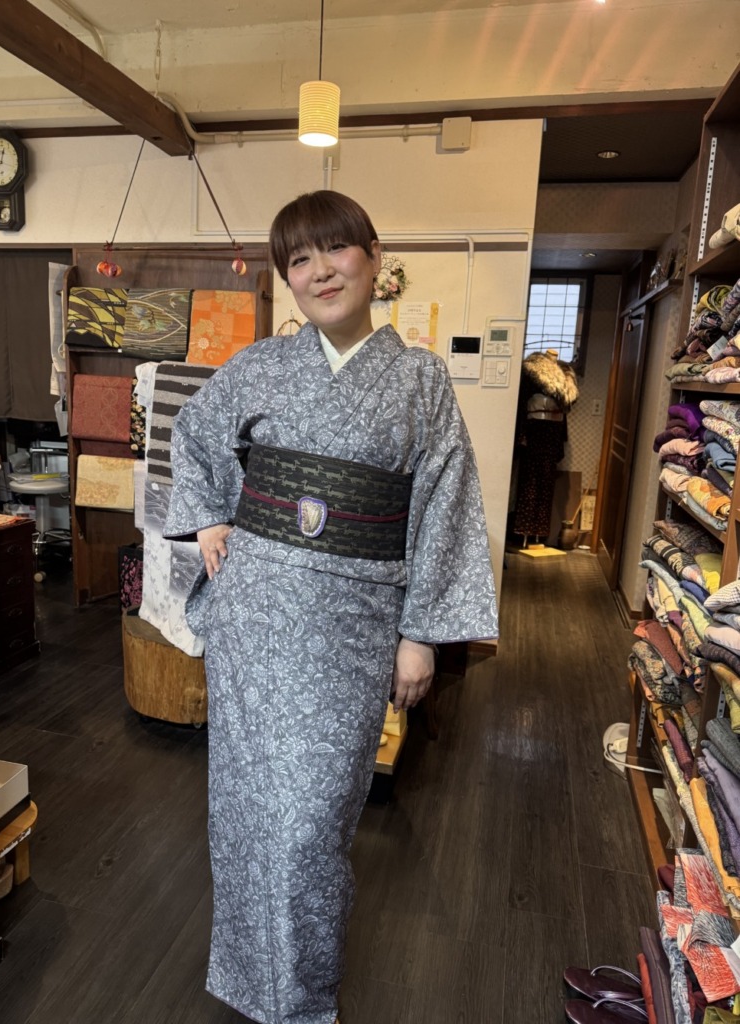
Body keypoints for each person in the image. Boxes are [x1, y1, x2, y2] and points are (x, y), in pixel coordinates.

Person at [163, 190, 498, 1024]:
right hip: (256, 616)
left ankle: (302, 997)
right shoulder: (261, 366)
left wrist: (420, 634)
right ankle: (250, 980)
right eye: (299, 259)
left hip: (353, 627)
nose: (319, 271)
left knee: (313, 824)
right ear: (288, 277)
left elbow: (446, 505)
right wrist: (209, 518)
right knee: (247, 812)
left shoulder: (420, 380)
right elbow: (196, 433)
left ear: (374, 258)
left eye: (336, 249)